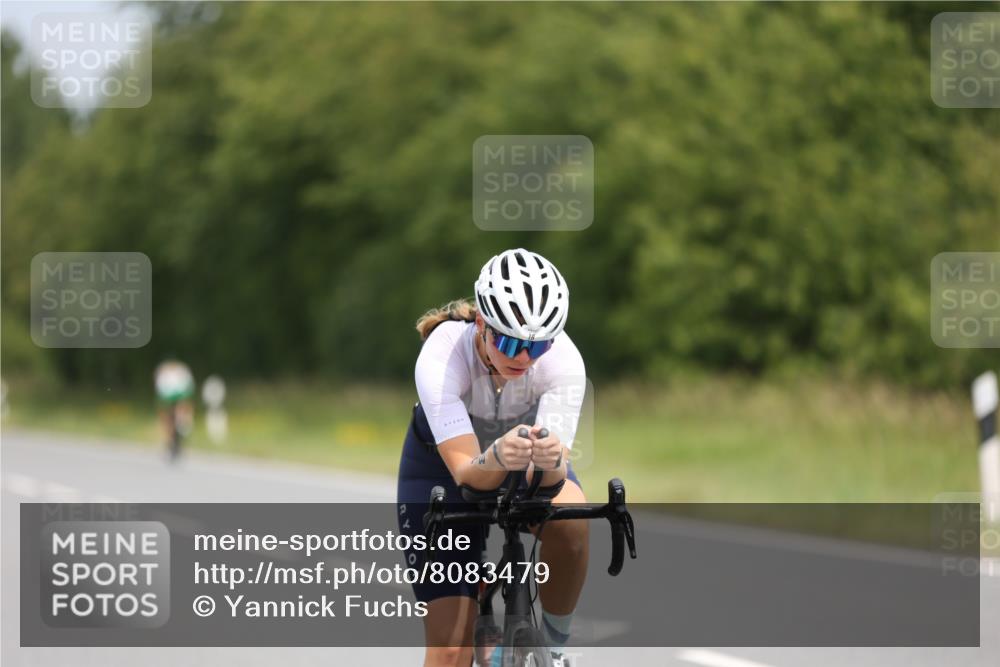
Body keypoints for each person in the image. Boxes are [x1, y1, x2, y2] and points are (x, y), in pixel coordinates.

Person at [397, 248, 588, 667]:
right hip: (441, 470)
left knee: (571, 522)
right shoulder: (442, 354)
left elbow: (550, 483)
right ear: (482, 324)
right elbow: (467, 474)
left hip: (521, 461)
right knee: (450, 652)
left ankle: (555, 647)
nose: (523, 358)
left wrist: (551, 461)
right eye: (510, 342)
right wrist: (498, 454)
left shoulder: (564, 361)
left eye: (537, 346)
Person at [154, 358, 195, 460]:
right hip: (169, 397)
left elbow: (187, 390)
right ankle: (171, 438)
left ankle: (183, 422)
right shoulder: (166, 374)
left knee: (181, 409)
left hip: (177, 396)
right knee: (168, 418)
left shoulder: (179, 372)